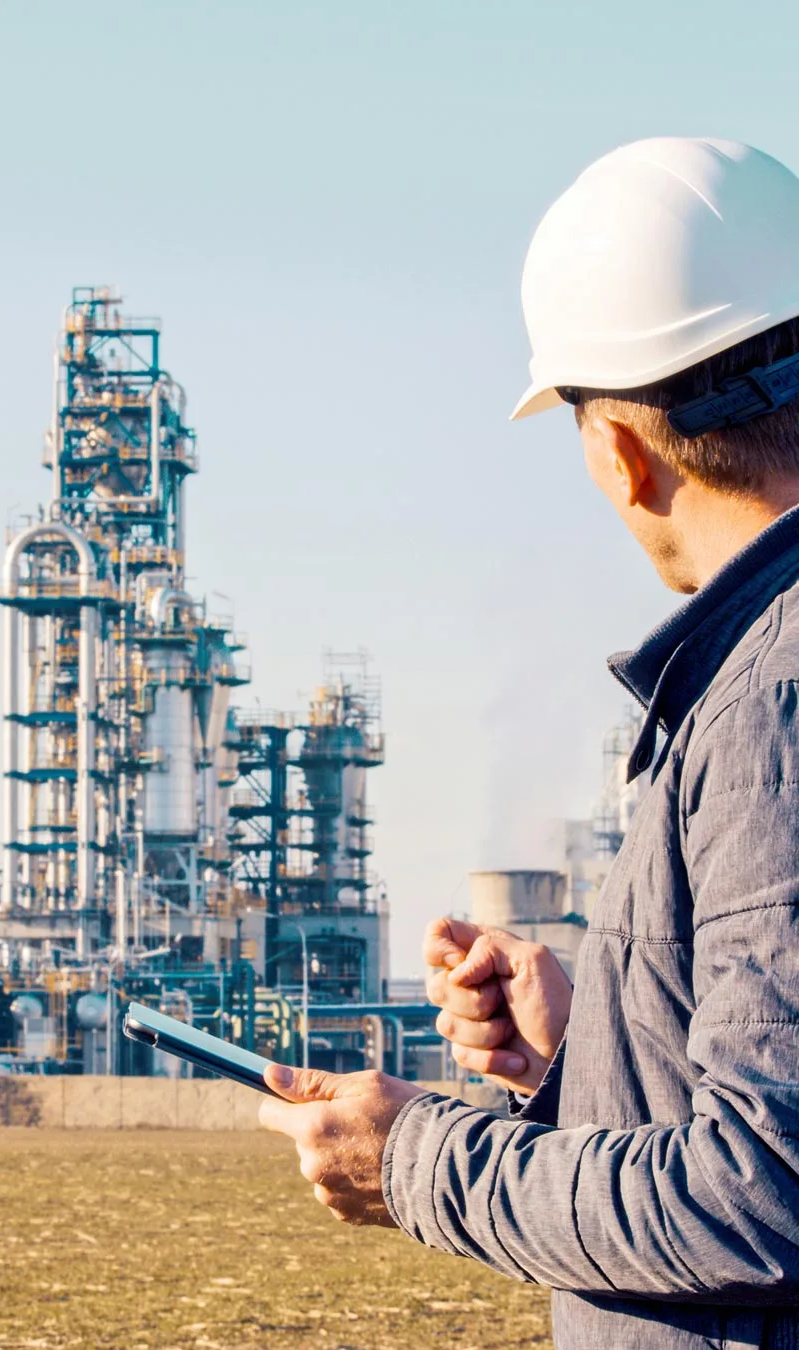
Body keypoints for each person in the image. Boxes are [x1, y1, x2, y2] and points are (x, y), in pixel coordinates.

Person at [258, 138, 799, 1350]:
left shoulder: (770, 705)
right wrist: (592, 1049)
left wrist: (415, 1158)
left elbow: (763, 1195)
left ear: (619, 451)